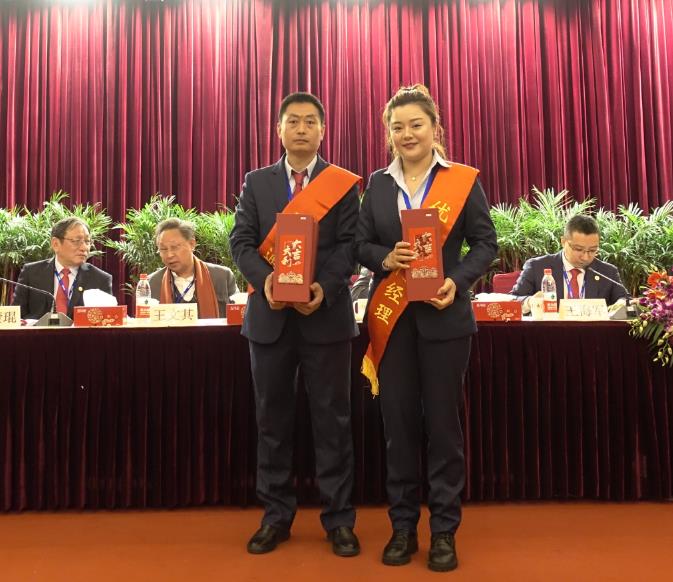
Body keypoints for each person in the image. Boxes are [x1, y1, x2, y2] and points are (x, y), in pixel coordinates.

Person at [355, 85, 497, 572]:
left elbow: (485, 243)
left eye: (416, 124)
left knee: (442, 426)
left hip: (444, 320)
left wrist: (458, 281)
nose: (407, 134)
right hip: (393, 322)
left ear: (435, 128)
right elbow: (360, 243)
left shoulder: (461, 180)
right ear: (388, 134)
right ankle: (401, 528)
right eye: (397, 127)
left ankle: (443, 531)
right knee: (397, 427)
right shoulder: (378, 185)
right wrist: (385, 256)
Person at [230, 92, 361, 557]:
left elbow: (350, 245)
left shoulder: (340, 183)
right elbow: (242, 242)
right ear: (279, 130)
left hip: (325, 318)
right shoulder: (257, 182)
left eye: (310, 121)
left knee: (333, 421)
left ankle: (339, 520)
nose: (301, 128)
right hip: (270, 320)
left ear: (323, 130)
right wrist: (266, 281)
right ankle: (275, 516)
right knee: (272, 422)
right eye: (293, 121)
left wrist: (323, 288)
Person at [510, 214, 628, 312]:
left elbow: (625, 299)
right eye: (578, 249)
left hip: (594, 332)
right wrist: (530, 302)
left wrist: (622, 303)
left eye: (592, 250)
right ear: (563, 242)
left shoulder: (607, 272)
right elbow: (513, 300)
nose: (586, 257)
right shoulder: (537, 267)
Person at [12, 217, 113, 320]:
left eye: (87, 241)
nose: (84, 248)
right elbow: (16, 317)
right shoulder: (31, 273)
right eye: (76, 241)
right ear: (55, 244)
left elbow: (105, 321)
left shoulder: (100, 279)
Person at [148, 218, 238, 318]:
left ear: (192, 244)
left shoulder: (222, 276)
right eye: (163, 249)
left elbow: (238, 317)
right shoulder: (152, 283)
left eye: (175, 247)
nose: (169, 255)